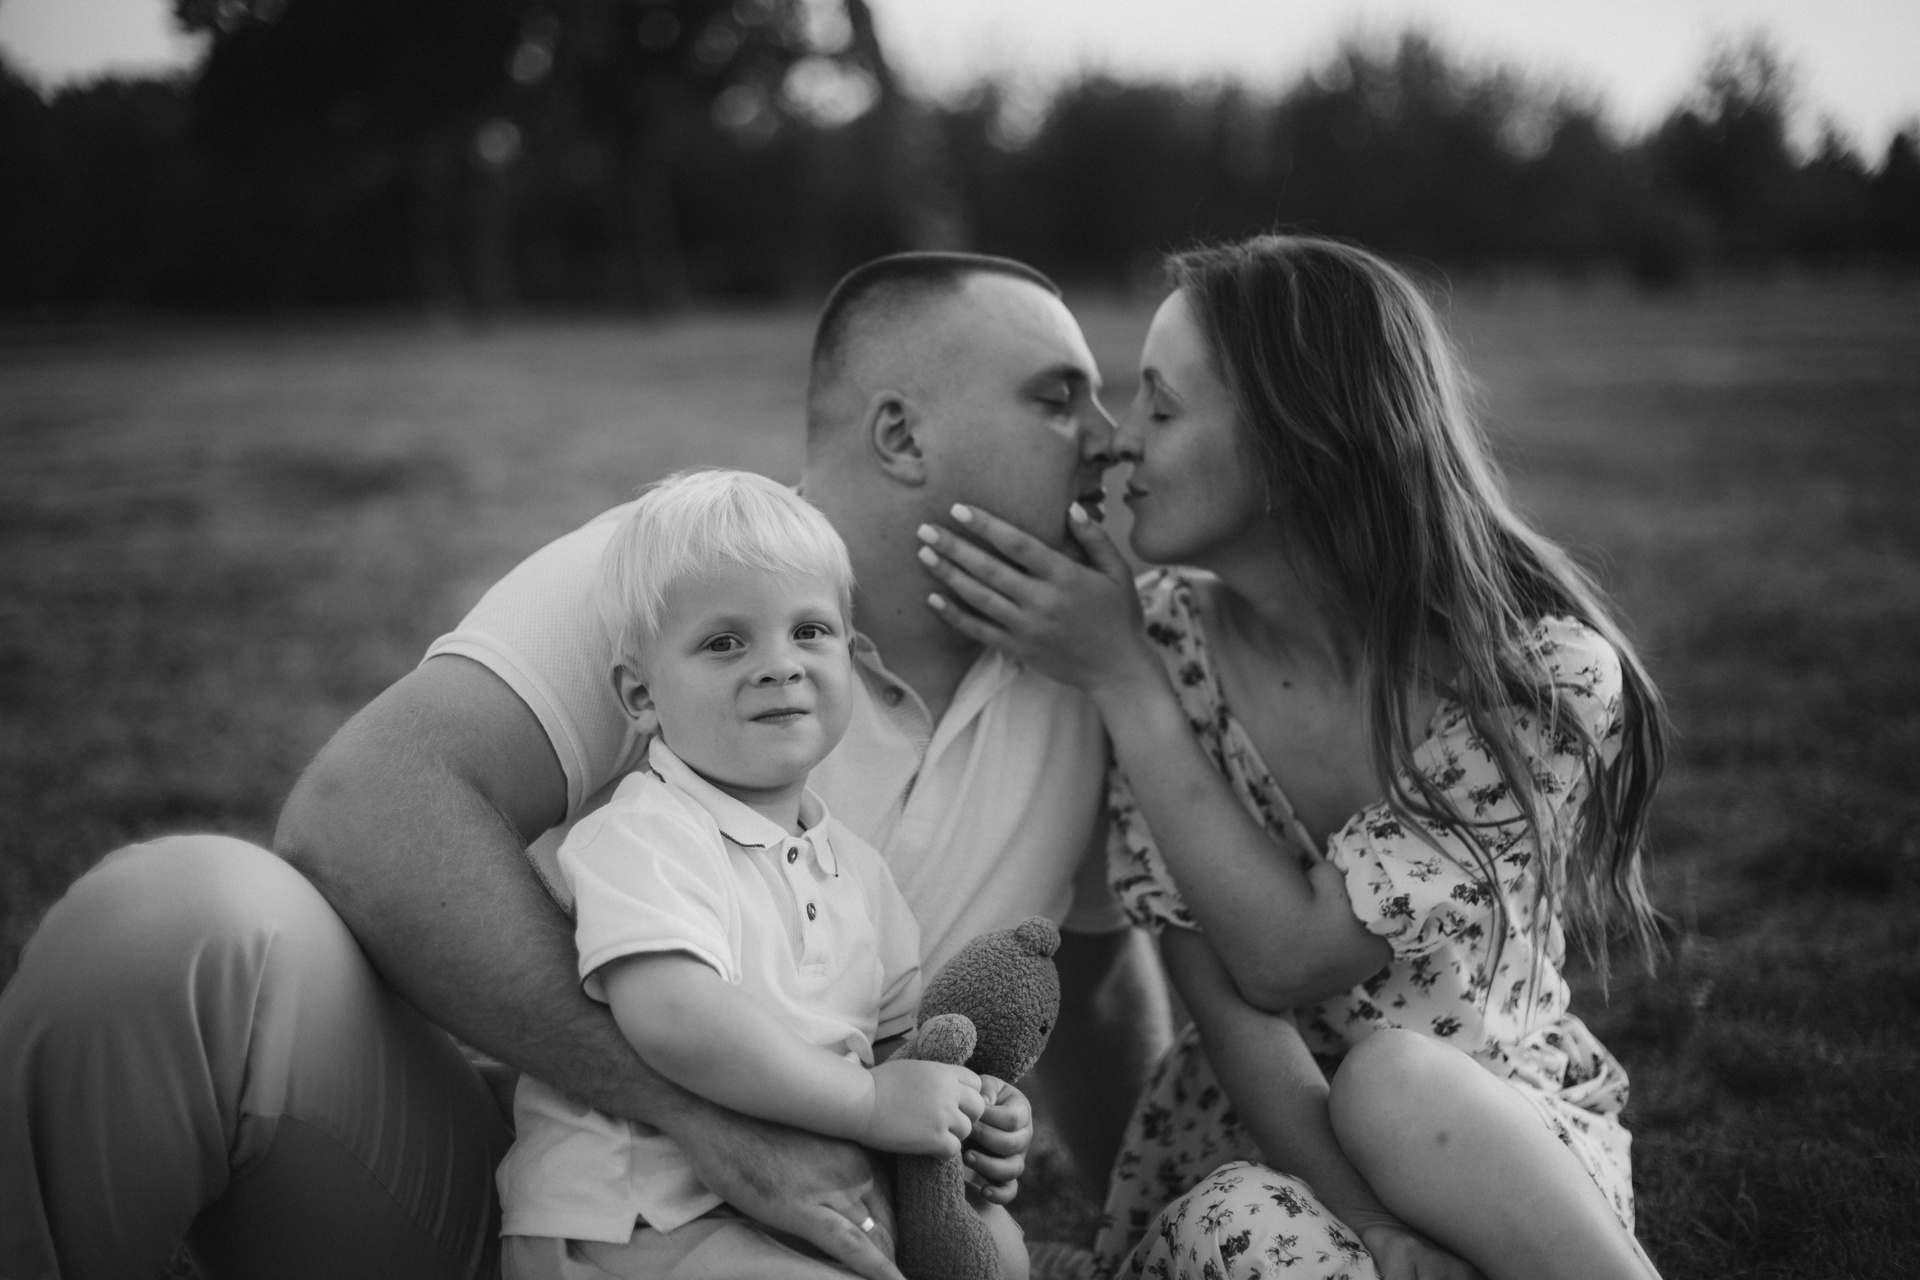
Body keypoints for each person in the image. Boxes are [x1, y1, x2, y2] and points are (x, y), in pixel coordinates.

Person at [0, 252, 1163, 1280]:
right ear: (902, 435)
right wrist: (700, 1113)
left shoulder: (1100, 660)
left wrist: (1139, 1215)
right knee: (179, 921)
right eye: (1058, 398)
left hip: (832, 1240)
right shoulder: (671, 576)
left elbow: (1095, 970)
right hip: (524, 1198)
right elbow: (365, 808)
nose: (1109, 436)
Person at [913, 235, 1668, 1280]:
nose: (1119, 444)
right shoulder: (1162, 641)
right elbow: (1227, 996)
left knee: (1397, 1083)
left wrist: (1127, 684)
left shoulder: (1539, 682)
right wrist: (1370, 1224)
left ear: (1294, 447)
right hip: (1268, 1149)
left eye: (1161, 406)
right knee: (1253, 1229)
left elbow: (1290, 957)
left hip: (1496, 1143)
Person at [498, 469, 1023, 1279]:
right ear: (640, 693)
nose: (779, 665)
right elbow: (674, 1016)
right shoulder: (647, 835)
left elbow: (894, 1049)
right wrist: (869, 1105)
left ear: (851, 655)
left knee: (1004, 1255)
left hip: (795, 1202)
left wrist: (964, 1111)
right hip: (637, 1217)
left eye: (809, 631)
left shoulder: (860, 873)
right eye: (724, 643)